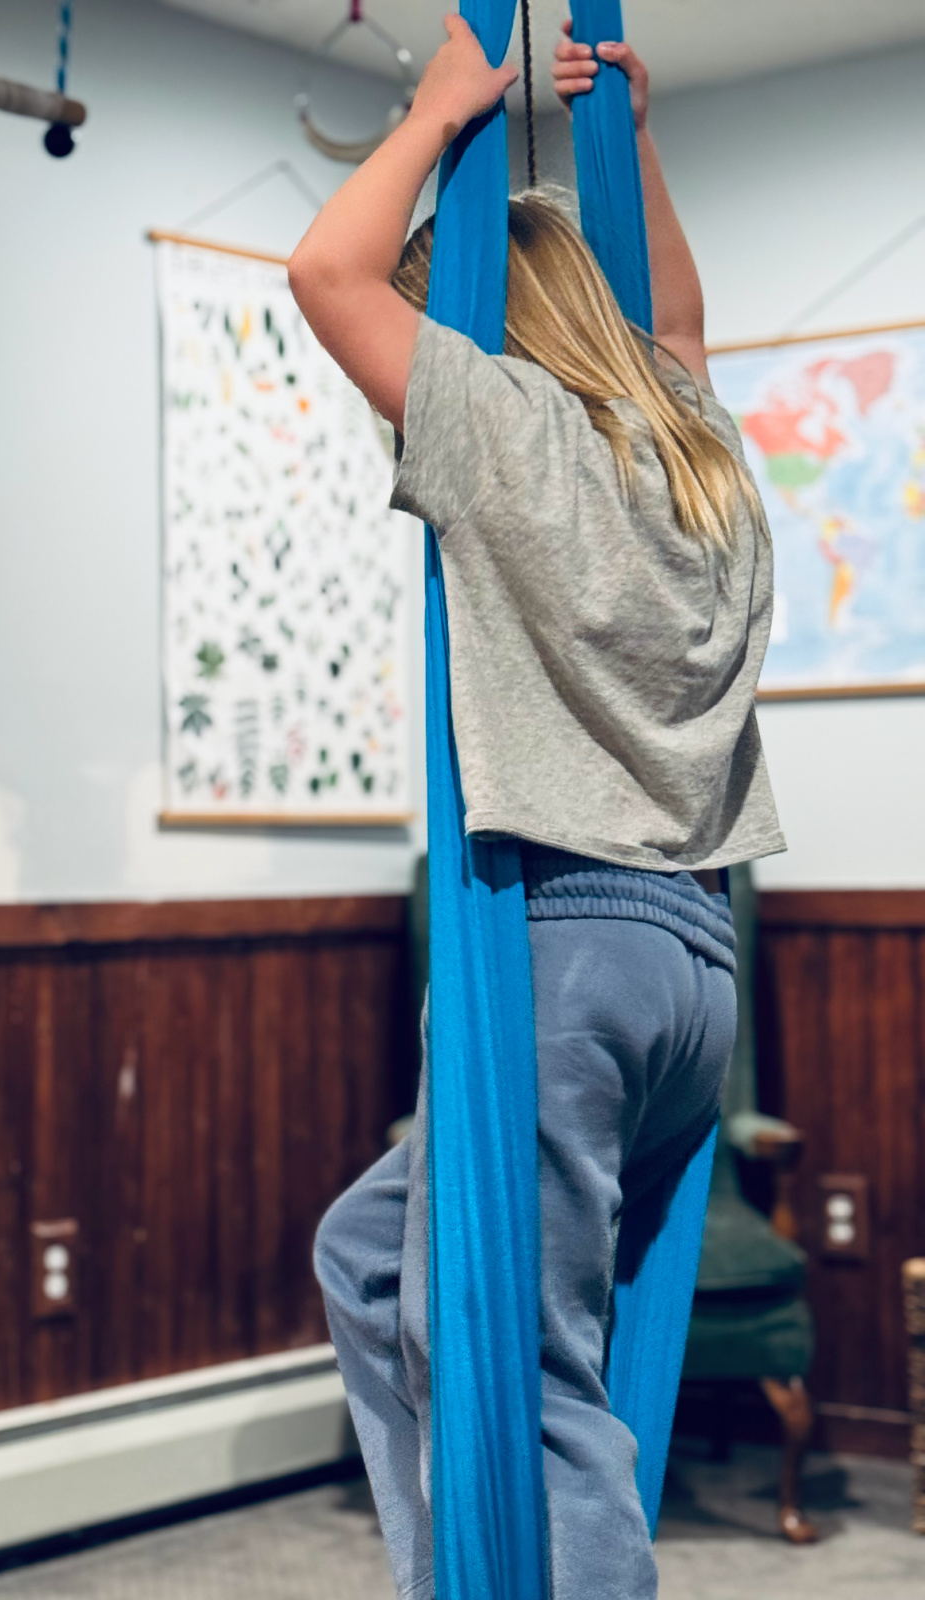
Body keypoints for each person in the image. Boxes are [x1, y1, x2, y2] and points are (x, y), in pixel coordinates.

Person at [288, 14, 786, 1600]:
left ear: (490, 324)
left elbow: (326, 279)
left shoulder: (508, 438)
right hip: (691, 971)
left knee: (529, 1368)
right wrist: (630, 145)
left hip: (561, 949)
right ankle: (479, 1577)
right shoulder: (697, 454)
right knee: (378, 1261)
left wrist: (444, 110)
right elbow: (686, 330)